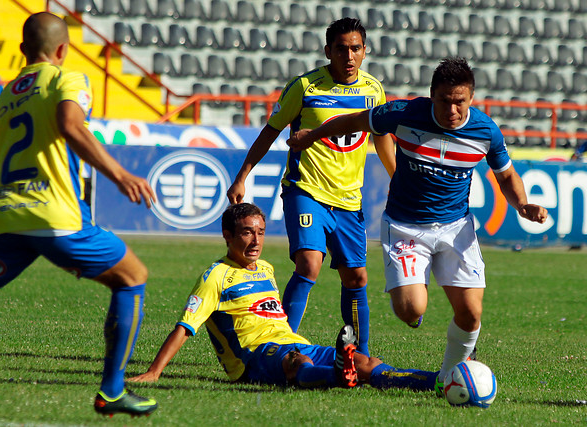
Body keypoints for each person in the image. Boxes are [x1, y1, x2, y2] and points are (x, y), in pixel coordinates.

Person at [286, 57, 548, 394]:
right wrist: (314, 135)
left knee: (470, 315)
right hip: (406, 226)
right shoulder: (404, 113)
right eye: (445, 100)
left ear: (471, 98)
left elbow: (507, 175)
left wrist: (522, 204)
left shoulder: (485, 132)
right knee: (411, 311)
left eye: (460, 101)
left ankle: (450, 377)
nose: (452, 109)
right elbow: (354, 121)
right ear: (431, 96)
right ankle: (421, 317)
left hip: (456, 228)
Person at [0, 12, 157, 417]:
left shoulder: (6, 95)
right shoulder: (68, 79)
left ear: (23, 49)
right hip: (54, 217)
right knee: (133, 278)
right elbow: (71, 125)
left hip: (3, 216)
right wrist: (119, 174)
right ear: (63, 49)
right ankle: (112, 391)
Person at [130, 203, 437, 392]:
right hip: (255, 357)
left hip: (293, 341)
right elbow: (184, 327)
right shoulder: (215, 277)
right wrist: (154, 373)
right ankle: (339, 376)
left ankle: (434, 380)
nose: (256, 240)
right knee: (296, 363)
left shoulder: (265, 269)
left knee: (366, 363)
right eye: (247, 232)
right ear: (228, 235)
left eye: (261, 232)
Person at [227, 17, 395, 357]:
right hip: (306, 190)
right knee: (309, 265)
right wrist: (242, 175)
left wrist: (399, 180)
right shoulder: (305, 87)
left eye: (355, 49)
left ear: (365, 51)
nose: (348, 56)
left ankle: (360, 353)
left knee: (357, 279)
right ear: (327, 51)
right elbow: (271, 131)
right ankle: (278, 345)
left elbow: (382, 139)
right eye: (341, 49)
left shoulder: (373, 90)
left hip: (349, 200)